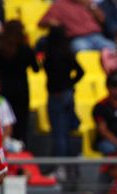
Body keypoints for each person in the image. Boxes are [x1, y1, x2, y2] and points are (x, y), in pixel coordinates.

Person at [42, 26, 84, 159]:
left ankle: (61, 163)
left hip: (56, 96)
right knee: (67, 131)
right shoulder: (67, 53)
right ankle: (69, 163)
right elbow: (81, 72)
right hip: (67, 94)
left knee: (59, 133)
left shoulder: (49, 55)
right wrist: (70, 84)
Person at [0, 20, 38, 143]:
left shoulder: (1, 49)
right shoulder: (26, 49)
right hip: (21, 90)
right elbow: (36, 68)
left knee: (5, 121)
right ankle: (20, 149)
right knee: (21, 122)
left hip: (5, 89)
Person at [39, 0, 116, 52]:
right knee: (81, 50)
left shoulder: (87, 3)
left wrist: (91, 6)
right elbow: (42, 22)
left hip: (96, 36)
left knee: (114, 49)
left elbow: (102, 19)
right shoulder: (59, 5)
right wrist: (52, 22)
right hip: (77, 38)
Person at [93, 74, 117, 155]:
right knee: (111, 149)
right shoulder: (101, 106)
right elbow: (102, 130)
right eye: (114, 87)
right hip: (107, 141)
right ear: (108, 87)